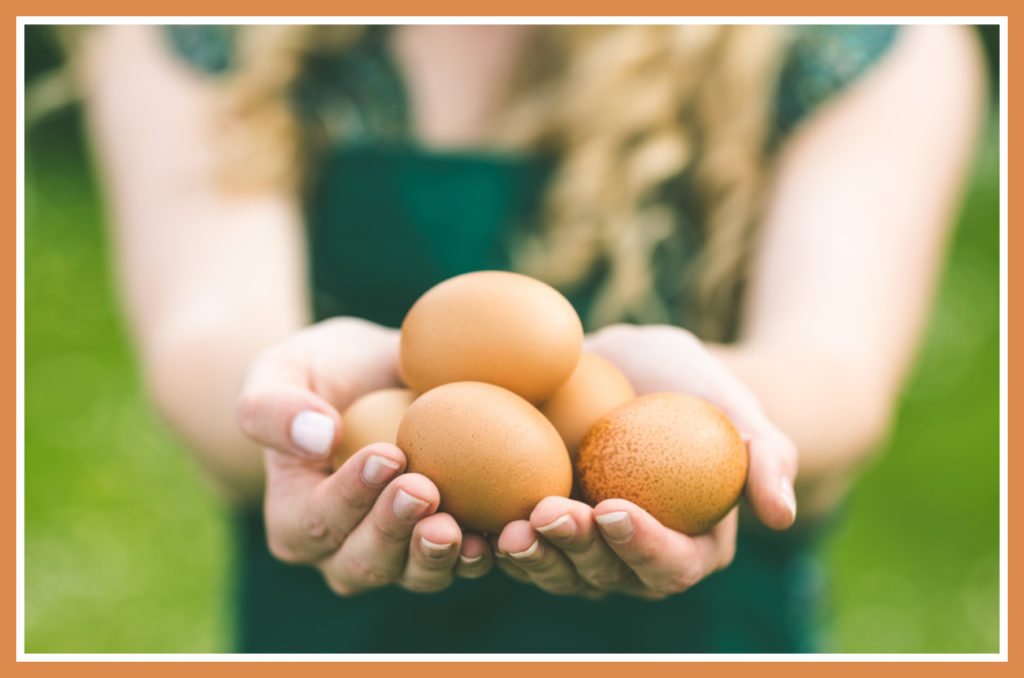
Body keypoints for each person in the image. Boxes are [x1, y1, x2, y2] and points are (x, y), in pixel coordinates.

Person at [75, 23, 984, 652]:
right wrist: (296, 402)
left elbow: (836, 372)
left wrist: (698, 424)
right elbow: (205, 334)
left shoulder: (857, 42)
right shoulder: (209, 33)